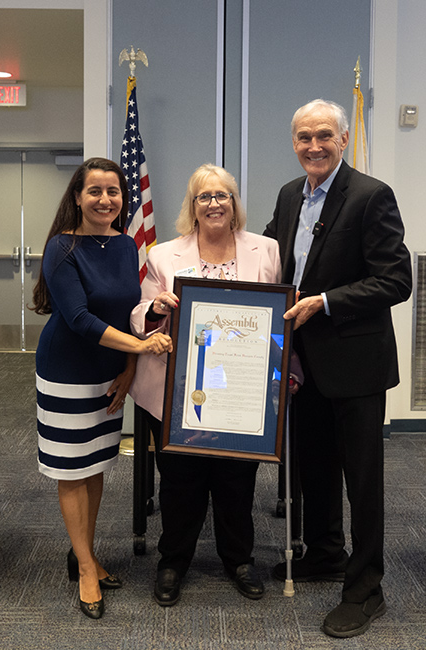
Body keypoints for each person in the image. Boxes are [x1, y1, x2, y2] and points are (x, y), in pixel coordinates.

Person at [264, 99, 412, 638]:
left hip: (355, 364)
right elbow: (266, 260)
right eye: (304, 137)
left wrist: (323, 301)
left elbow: (396, 280)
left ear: (343, 139)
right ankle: (325, 552)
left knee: (361, 480)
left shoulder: (371, 196)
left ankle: (366, 586)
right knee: (314, 469)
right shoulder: (287, 196)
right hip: (304, 365)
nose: (313, 146)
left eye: (324, 135)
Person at [129, 163, 303, 606]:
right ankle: (173, 561)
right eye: (204, 197)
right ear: (192, 206)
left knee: (235, 477)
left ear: (234, 203)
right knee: (180, 480)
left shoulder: (266, 250)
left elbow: (280, 317)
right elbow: (138, 314)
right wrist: (155, 309)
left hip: (243, 391)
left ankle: (239, 559)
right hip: (176, 388)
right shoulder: (163, 255)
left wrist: (290, 369)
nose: (214, 204)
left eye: (222, 195)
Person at [32, 157, 172, 620]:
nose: (105, 200)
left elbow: (129, 311)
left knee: (94, 467)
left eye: (113, 191)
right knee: (72, 470)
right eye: (95, 191)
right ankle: (87, 566)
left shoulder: (126, 245)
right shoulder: (61, 247)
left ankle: (83, 552)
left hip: (110, 372)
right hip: (67, 371)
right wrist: (143, 346)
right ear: (77, 196)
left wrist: (131, 366)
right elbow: (78, 318)